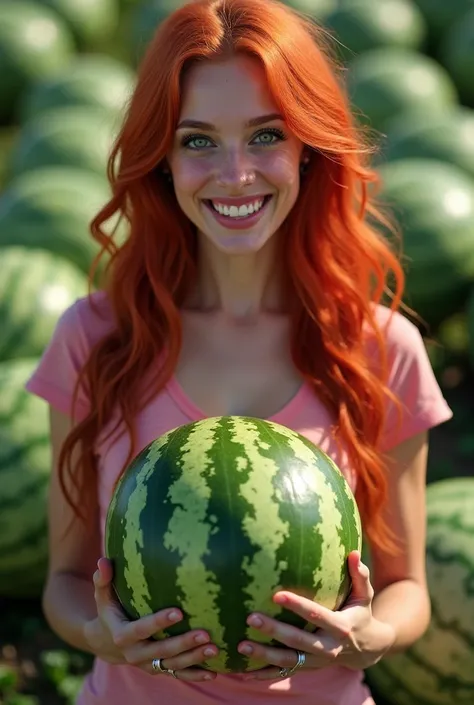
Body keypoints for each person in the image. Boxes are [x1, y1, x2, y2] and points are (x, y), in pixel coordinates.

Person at [25, 0, 453, 703]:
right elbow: (66, 584)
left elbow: (408, 592)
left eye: (265, 137)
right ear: (161, 157)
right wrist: (103, 635)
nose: (236, 174)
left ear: (308, 146)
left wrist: (364, 635)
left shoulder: (382, 349)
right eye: (198, 141)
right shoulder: (95, 338)